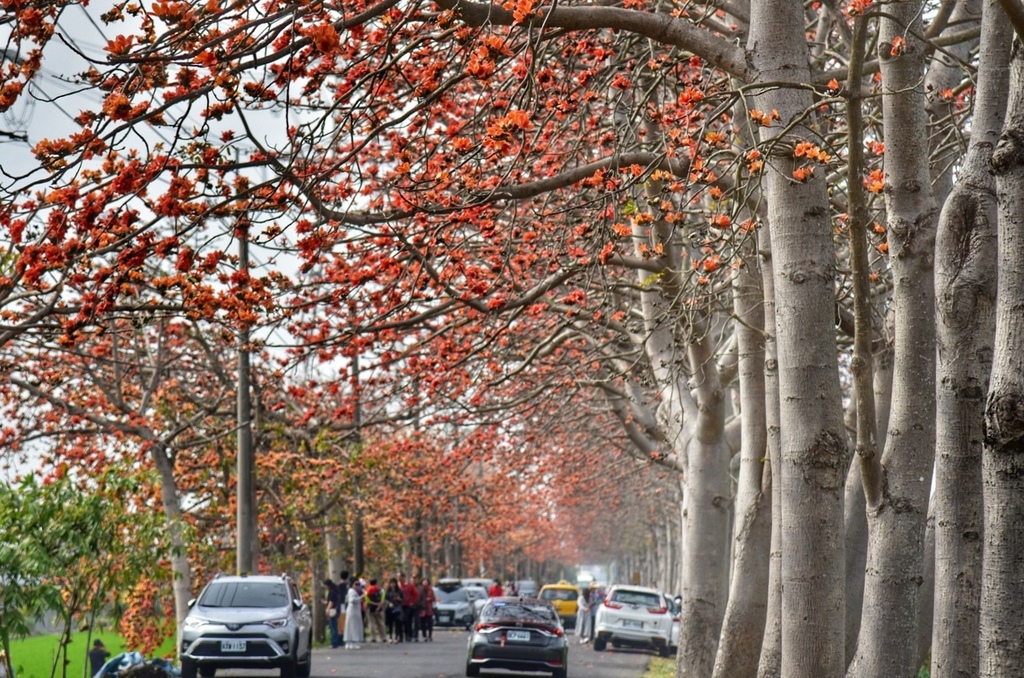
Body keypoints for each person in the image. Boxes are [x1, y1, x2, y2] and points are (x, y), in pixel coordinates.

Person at [364, 578, 387, 643]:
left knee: (371, 624)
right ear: (376, 583)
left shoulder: (367, 591)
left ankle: (373, 637)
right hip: (380, 609)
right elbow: (382, 600)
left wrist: (374, 604)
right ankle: (383, 637)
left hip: (370, 609)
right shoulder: (381, 590)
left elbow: (367, 600)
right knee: (381, 623)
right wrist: (379, 606)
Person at [344, 577, 365, 649]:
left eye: (358, 584)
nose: (357, 586)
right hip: (352, 611)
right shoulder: (351, 591)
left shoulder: (353, 591)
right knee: (352, 627)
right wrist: (361, 597)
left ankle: (350, 642)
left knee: (352, 626)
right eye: (356, 584)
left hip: (354, 611)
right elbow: (352, 600)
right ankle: (351, 642)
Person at [399, 572, 420, 642]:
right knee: (403, 621)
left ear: (403, 577)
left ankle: (409, 635)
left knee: (408, 620)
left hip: (407, 605)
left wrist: (413, 602)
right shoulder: (398, 585)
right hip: (400, 605)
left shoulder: (409, 585)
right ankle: (402, 635)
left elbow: (416, 594)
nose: (399, 579)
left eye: (400, 577)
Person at [323, 578, 343, 649]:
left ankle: (334, 643)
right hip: (337, 610)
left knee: (333, 627)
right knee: (334, 626)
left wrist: (327, 610)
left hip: (332, 610)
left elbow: (331, 602)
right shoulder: (336, 591)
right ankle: (336, 642)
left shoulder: (332, 592)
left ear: (327, 585)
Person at [385, 577, 404, 643]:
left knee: (397, 623)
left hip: (397, 608)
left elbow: (403, 599)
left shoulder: (399, 591)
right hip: (390, 609)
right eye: (391, 583)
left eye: (394, 583)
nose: (393, 585)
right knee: (390, 623)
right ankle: (390, 636)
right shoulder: (388, 591)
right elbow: (385, 599)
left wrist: (399, 599)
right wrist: (389, 603)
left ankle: (396, 636)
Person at [418, 577, 436, 641]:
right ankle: (424, 635)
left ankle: (430, 635)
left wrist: (430, 599)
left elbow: (434, 598)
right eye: (424, 581)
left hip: (429, 608)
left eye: (426, 582)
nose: (425, 583)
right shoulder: (420, 589)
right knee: (422, 623)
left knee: (430, 623)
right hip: (422, 608)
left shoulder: (430, 590)